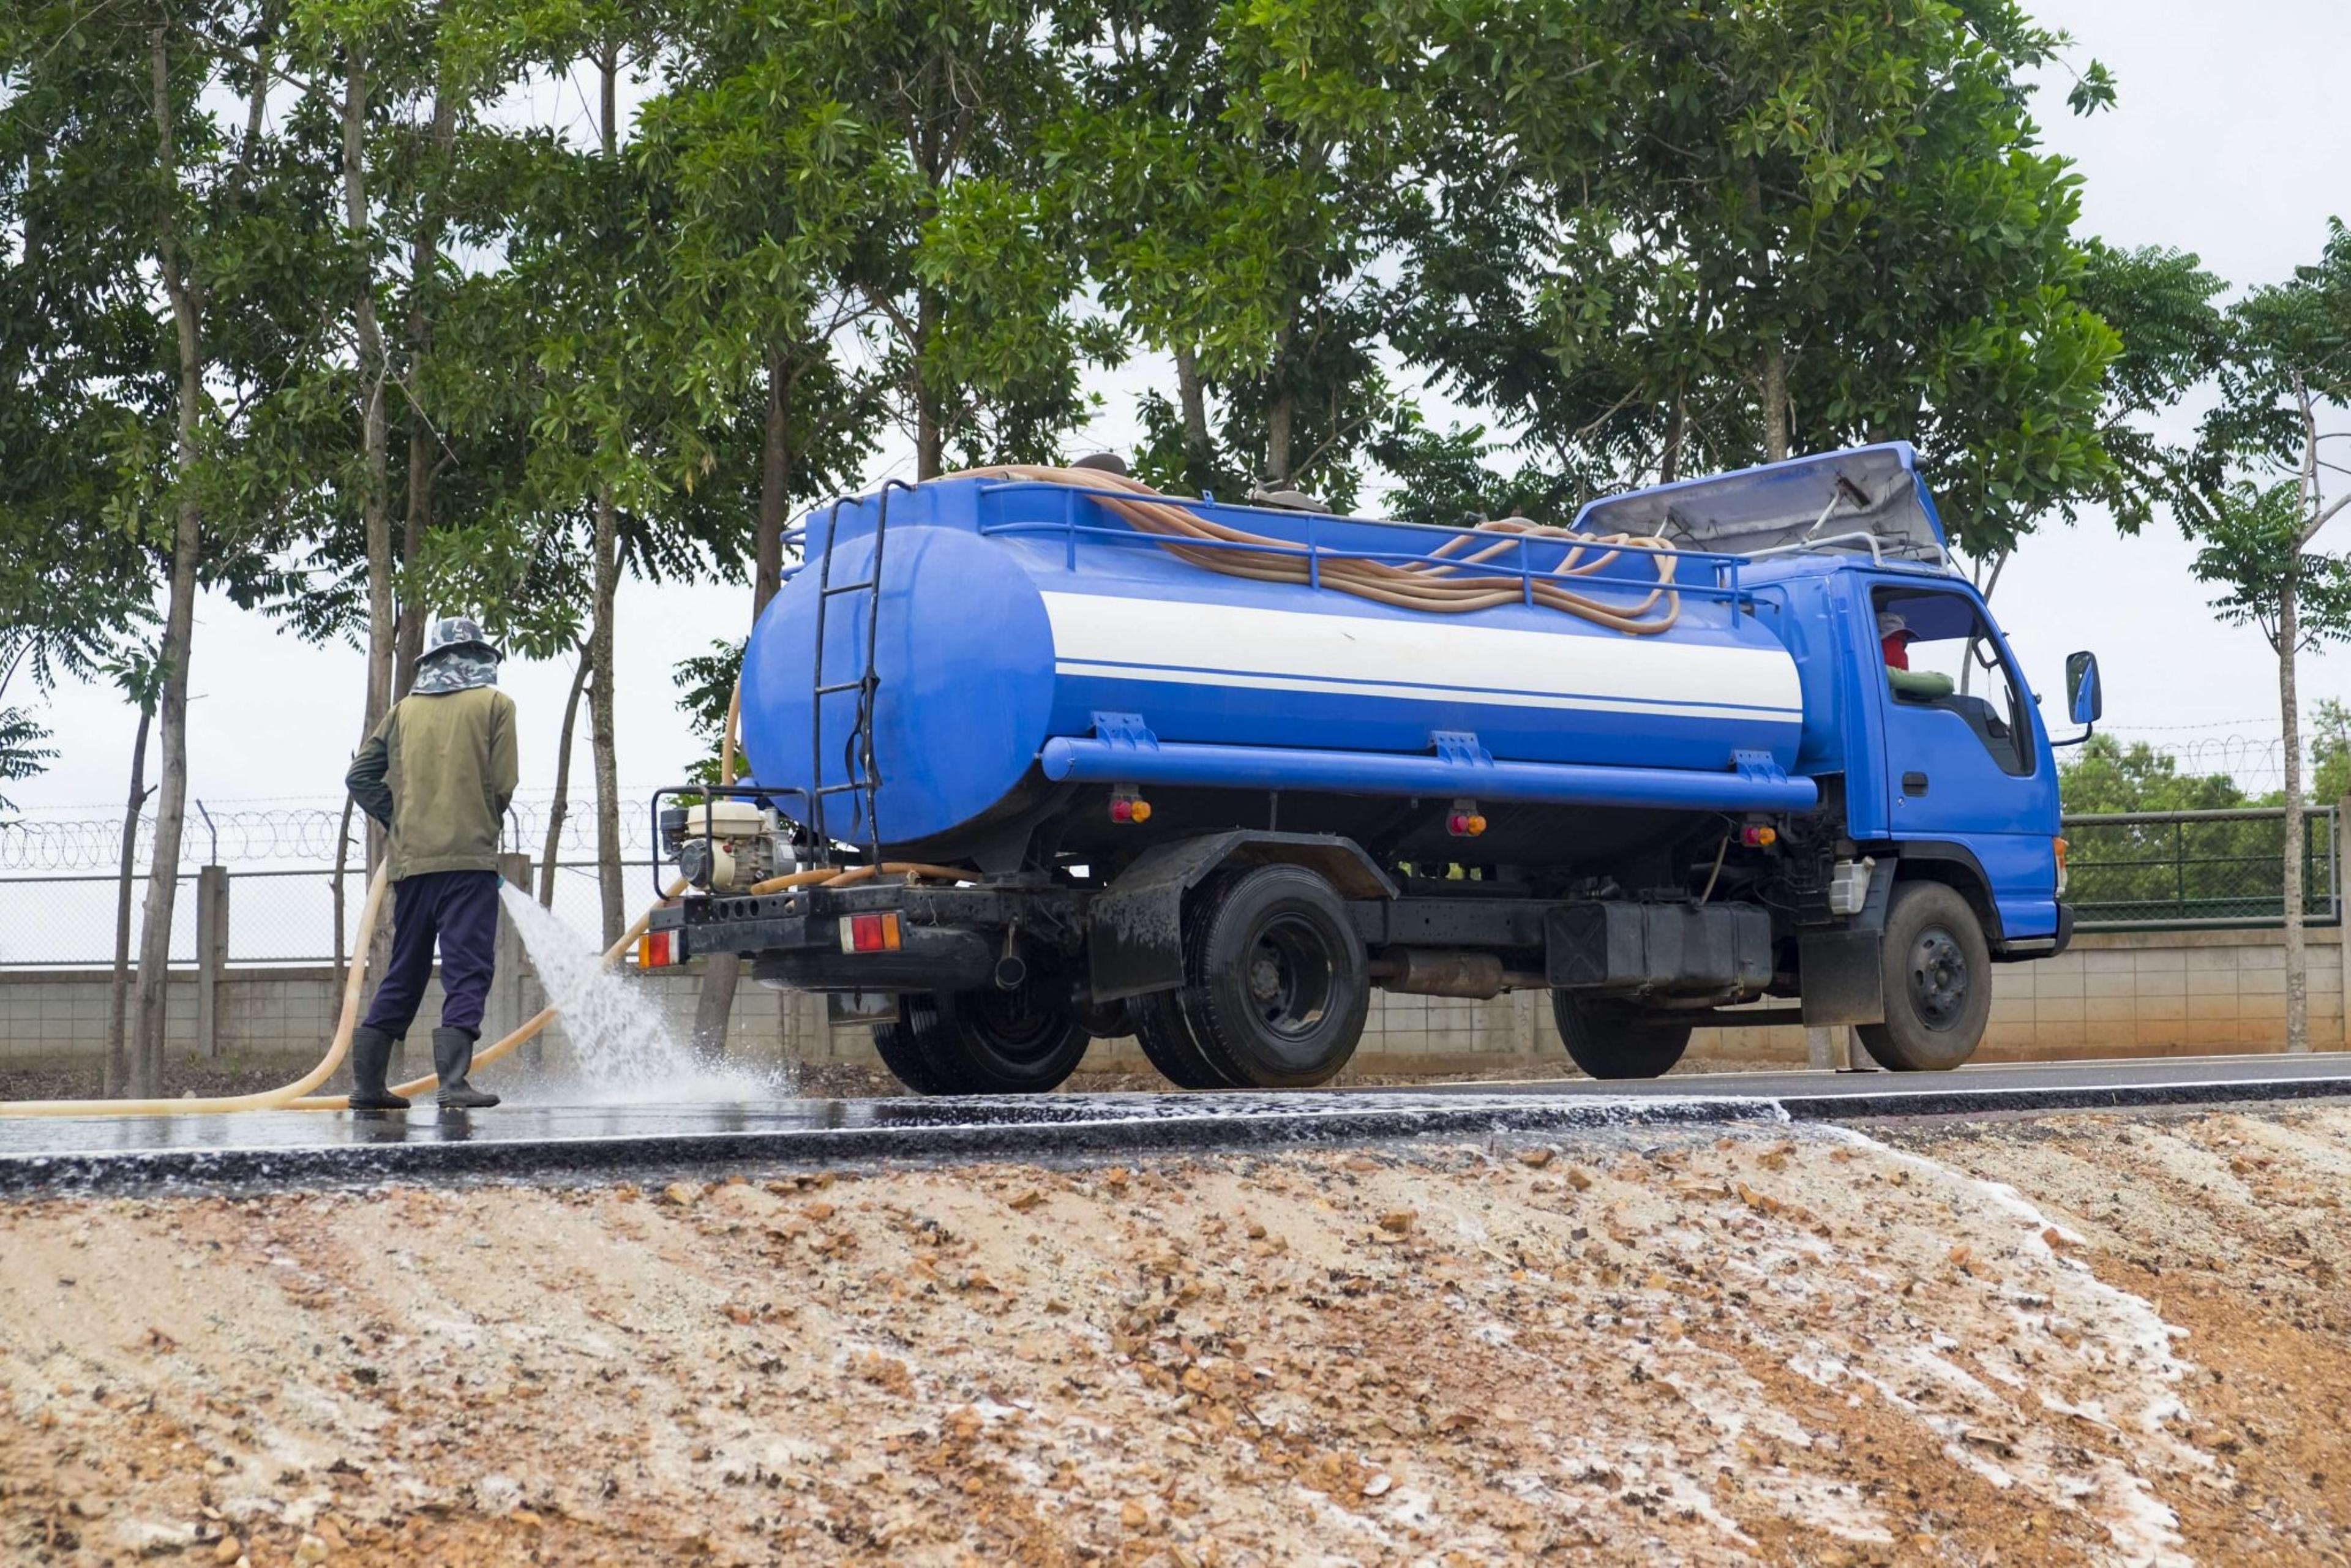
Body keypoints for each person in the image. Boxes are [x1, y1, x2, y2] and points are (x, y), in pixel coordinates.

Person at [343, 616, 519, 1111]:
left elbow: (360, 777)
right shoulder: (496, 705)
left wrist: (399, 820)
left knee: (407, 967)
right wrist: (477, 821)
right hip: (468, 862)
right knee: (468, 967)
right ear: (479, 655)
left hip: (412, 864)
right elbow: (504, 784)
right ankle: (454, 1083)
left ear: (433, 661)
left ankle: (368, 1086)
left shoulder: (402, 712)